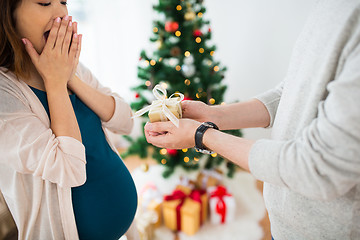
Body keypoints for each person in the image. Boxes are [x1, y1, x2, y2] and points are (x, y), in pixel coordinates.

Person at [145, 0, 360, 239]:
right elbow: (294, 91)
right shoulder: (330, 6)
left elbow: (320, 168)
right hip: (286, 226)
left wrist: (201, 135)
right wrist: (215, 115)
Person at [0, 0, 138, 239]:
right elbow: (70, 169)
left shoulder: (70, 67)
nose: (61, 13)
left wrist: (69, 77)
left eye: (64, 2)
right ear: (8, 14)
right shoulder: (5, 95)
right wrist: (55, 82)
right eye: (44, 2)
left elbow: (126, 121)